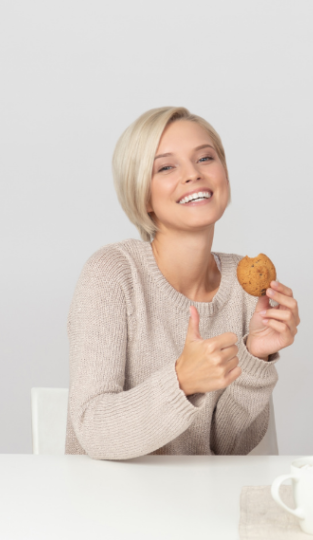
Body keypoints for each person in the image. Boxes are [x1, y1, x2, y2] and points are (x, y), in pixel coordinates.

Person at [66, 107, 299, 459]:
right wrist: (181, 381)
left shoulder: (244, 287)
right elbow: (93, 431)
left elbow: (227, 447)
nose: (193, 174)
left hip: (201, 504)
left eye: (205, 158)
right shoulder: (113, 274)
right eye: (166, 167)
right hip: (108, 505)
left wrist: (256, 356)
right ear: (143, 196)